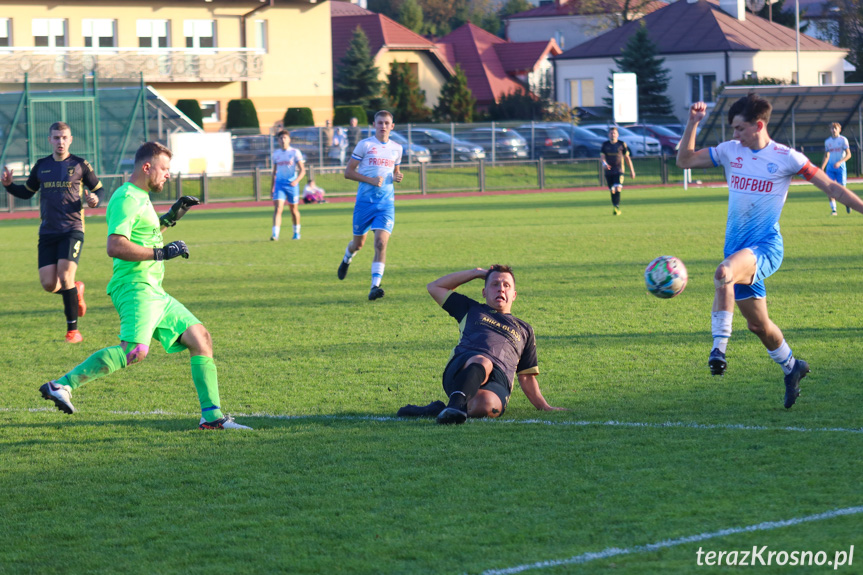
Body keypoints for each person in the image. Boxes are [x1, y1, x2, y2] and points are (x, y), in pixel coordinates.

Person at [38, 141, 251, 430]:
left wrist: (172, 216)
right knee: (135, 351)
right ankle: (61, 385)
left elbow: (145, 234)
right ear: (146, 166)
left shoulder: (140, 196)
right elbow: (116, 245)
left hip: (154, 289)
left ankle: (212, 418)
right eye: (164, 169)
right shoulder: (126, 197)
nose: (167, 175)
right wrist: (163, 253)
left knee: (200, 338)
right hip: (135, 286)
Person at [677, 94, 863, 409]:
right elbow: (685, 160)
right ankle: (792, 367)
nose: (734, 135)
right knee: (759, 326)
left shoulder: (788, 158)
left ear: (758, 125)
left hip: (765, 247)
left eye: (739, 129)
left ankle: (718, 349)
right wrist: (693, 123)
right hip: (737, 250)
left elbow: (832, 187)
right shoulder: (729, 152)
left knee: (723, 273)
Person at [398, 265, 566, 424]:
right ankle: (455, 405)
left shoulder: (524, 329)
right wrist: (476, 273)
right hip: (464, 365)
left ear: (514, 294)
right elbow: (434, 287)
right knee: (483, 361)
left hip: (499, 378)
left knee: (485, 407)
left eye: (506, 285)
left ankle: (440, 409)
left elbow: (526, 376)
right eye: (494, 284)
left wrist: (544, 406)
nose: (501, 288)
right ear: (484, 292)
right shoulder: (471, 309)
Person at [2, 121, 103, 344]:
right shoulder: (41, 166)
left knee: (66, 276)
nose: (60, 141)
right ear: (49, 140)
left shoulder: (80, 164)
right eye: (56, 138)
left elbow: (98, 189)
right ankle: (76, 291)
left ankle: (73, 331)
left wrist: (95, 199)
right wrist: (9, 185)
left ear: (70, 139)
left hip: (72, 229)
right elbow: (27, 192)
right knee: (49, 284)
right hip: (47, 231)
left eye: (64, 137)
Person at [336, 110, 404, 301]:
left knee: (381, 243)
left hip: (386, 204)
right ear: (374, 125)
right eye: (380, 122)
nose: (383, 126)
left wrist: (397, 177)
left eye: (386, 123)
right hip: (364, 204)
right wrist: (371, 180)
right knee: (358, 244)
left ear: (392, 126)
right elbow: (348, 172)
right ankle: (347, 258)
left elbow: (395, 172)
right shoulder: (365, 145)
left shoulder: (397, 148)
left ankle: (375, 286)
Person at [270, 130, 306, 240]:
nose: (283, 140)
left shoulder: (295, 152)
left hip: (292, 185)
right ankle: (275, 234)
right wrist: (272, 186)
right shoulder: (276, 154)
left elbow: (302, 170)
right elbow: (274, 172)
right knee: (278, 208)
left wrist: (296, 181)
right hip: (280, 184)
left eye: (285, 138)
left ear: (289, 139)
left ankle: (296, 232)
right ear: (278, 141)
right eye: (280, 138)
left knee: (293, 210)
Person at [600, 126, 636, 215]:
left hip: (619, 170)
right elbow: (602, 157)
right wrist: (604, 164)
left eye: (614, 133)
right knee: (612, 190)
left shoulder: (621, 144)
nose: (613, 135)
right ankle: (615, 206)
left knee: (618, 188)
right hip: (608, 171)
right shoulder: (605, 145)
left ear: (617, 134)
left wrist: (632, 170)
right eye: (611, 133)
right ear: (608, 134)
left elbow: (627, 158)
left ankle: (617, 207)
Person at [821, 122, 852, 215]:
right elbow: (826, 155)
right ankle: (834, 210)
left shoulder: (843, 140)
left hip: (840, 168)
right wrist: (822, 168)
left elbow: (849, 154)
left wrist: (840, 162)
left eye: (835, 128)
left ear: (839, 130)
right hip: (830, 168)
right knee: (829, 188)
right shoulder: (827, 141)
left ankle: (847, 203)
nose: (833, 130)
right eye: (832, 128)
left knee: (842, 189)